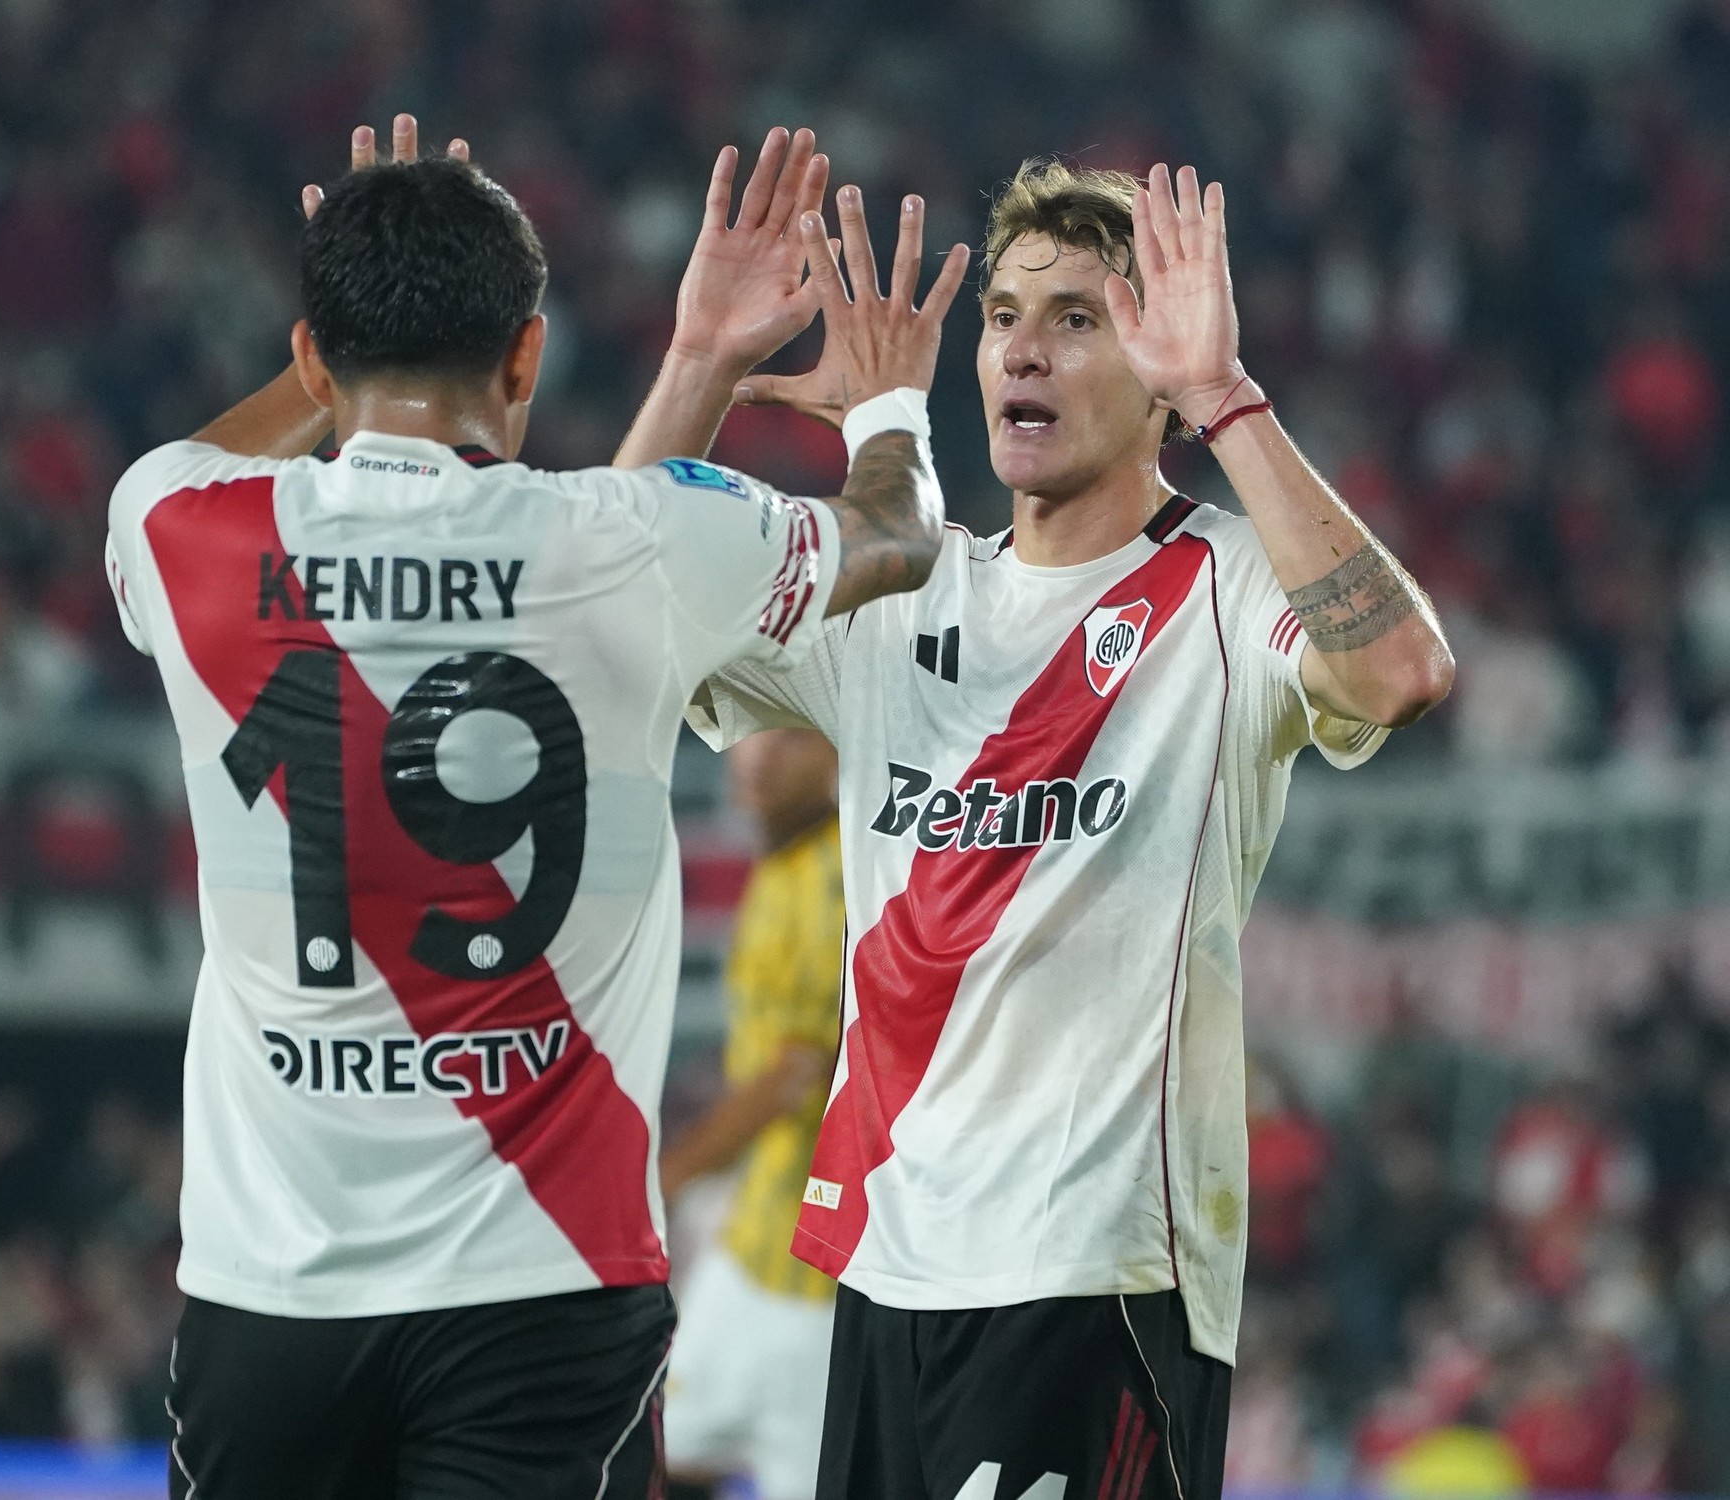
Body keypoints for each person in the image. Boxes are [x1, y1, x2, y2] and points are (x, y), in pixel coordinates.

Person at [103, 114, 968, 1500]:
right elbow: (895, 535)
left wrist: (347, 312)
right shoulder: (633, 542)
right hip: (549, 1286)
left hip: (272, 1293)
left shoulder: (177, 526)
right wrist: (886, 405)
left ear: (313, 360)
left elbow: (229, 459)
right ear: (527, 357)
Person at [622, 159, 1455, 1499]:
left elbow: (1401, 672)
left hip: (1091, 1279)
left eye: (1076, 319)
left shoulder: (1225, 586)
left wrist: (1225, 397)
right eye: (1005, 316)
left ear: (1154, 369)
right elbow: (604, 619)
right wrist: (699, 364)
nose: (1021, 348)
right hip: (884, 1267)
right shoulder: (899, 588)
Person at [661, 728, 845, 1500]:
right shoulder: (784, 860)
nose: (760, 753)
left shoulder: (838, 875)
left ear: (837, 752)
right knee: (656, 1449)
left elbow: (793, 1077)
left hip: (817, 1277)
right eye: (748, 731)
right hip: (756, 1242)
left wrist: (665, 1177)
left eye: (791, 735)